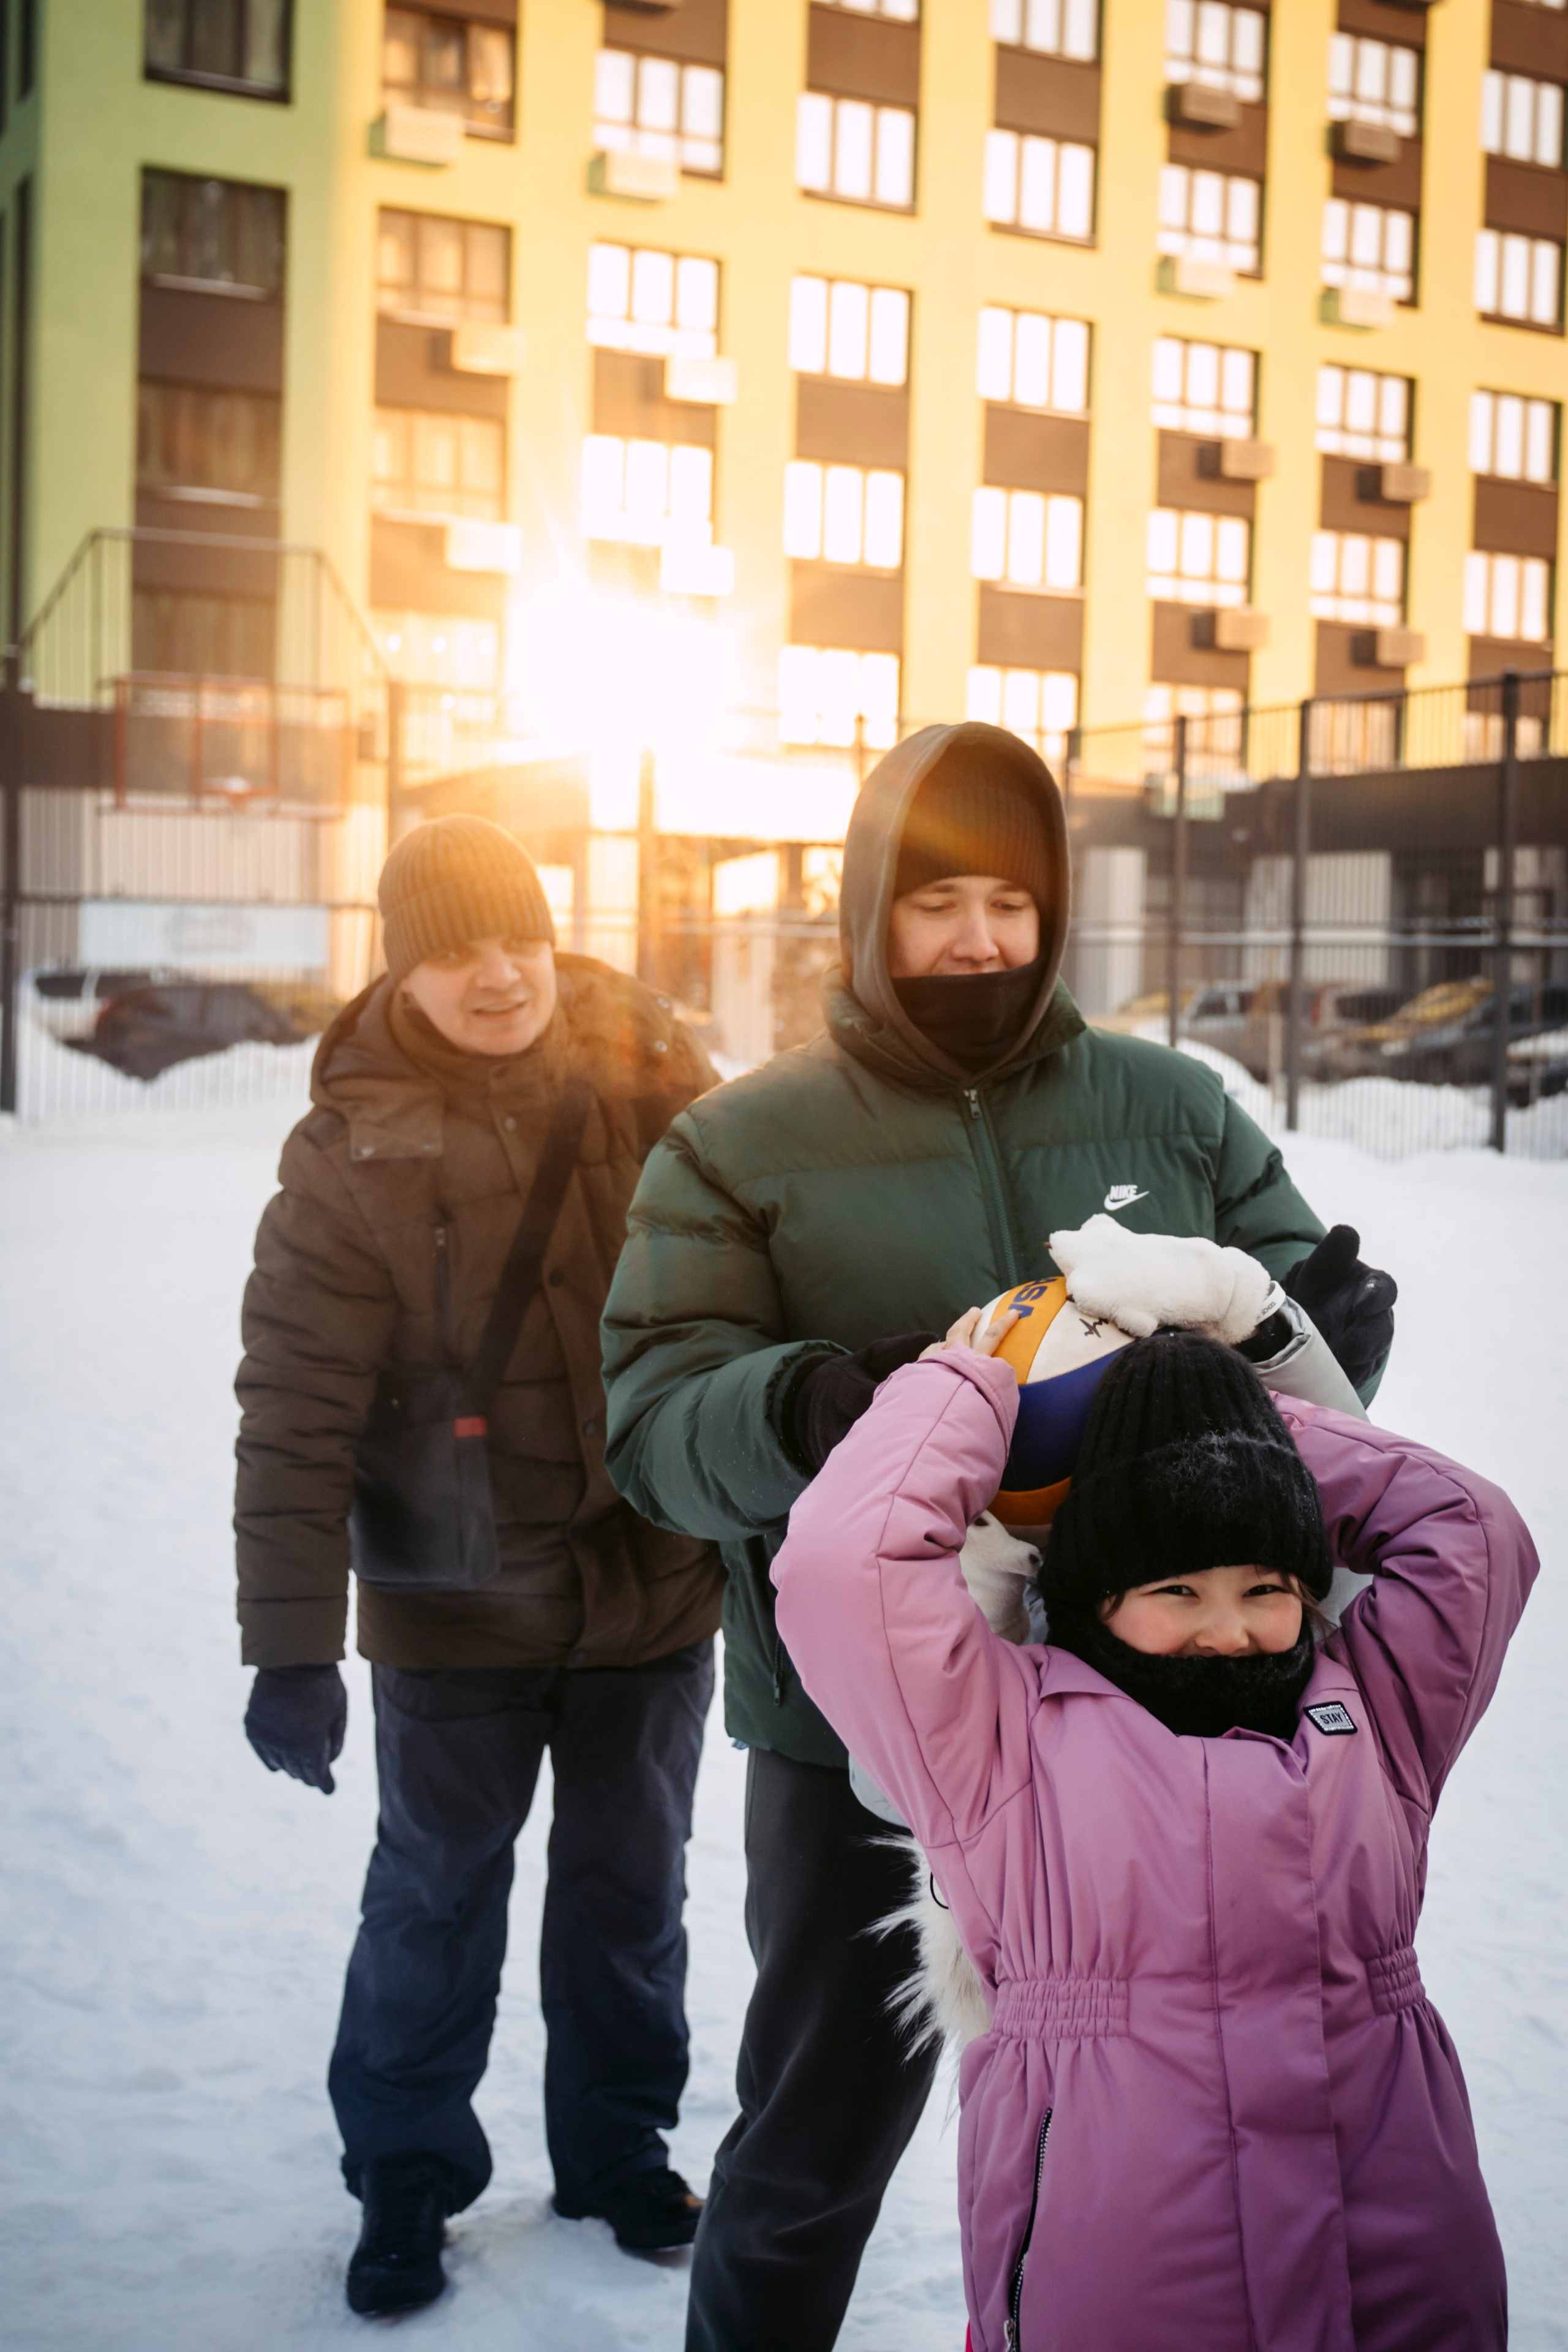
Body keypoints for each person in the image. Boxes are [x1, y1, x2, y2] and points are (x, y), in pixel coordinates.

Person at [600, 720, 1398, 2350]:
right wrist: (815, 1403)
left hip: (1167, 1709)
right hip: (864, 1737)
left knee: (1202, 2140)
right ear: (868, 910)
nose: (979, 940)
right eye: (935, 902)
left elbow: (1291, 1364)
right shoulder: (739, 1143)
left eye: (1011, 904)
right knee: (814, 2140)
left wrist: (1328, 1335)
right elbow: (654, 1432)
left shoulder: (1172, 1107)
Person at [771, 1318, 1537, 2352]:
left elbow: (1474, 1530)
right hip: (1129, 2278)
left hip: (1399, 2265)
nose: (1229, 1629)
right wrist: (978, 1389)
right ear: (1097, 1598)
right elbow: (841, 1564)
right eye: (1178, 1591)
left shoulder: (1378, 1715)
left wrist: (1240, 1415)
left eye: (1267, 1588)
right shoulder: (997, 1743)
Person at [235, 815, 722, 2318]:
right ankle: (404, 2172)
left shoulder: (654, 1077)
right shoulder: (347, 1152)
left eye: (518, 939)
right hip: (451, 1601)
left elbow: (765, 1278)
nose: (499, 975)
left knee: (631, 1892)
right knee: (433, 1898)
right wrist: (293, 1645)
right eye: (456, 953)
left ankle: (618, 2147)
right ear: (403, 967)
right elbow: (295, 1405)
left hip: (648, 1576)